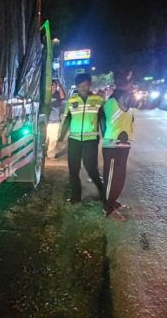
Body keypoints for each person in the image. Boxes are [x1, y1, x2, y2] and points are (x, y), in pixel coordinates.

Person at [58, 72, 105, 204]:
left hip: (91, 140)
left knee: (91, 168)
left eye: (85, 85)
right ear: (77, 87)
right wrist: (60, 138)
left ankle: (103, 192)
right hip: (74, 140)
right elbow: (67, 120)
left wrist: (106, 136)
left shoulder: (97, 100)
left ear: (89, 84)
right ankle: (75, 197)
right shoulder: (72, 101)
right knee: (73, 169)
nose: (83, 88)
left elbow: (102, 119)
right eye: (80, 86)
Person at [100, 72, 135, 220]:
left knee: (119, 178)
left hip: (120, 144)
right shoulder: (121, 97)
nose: (132, 86)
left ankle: (112, 202)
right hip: (114, 145)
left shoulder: (113, 99)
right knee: (112, 179)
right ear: (125, 85)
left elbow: (102, 121)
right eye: (131, 83)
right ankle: (107, 208)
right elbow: (145, 104)